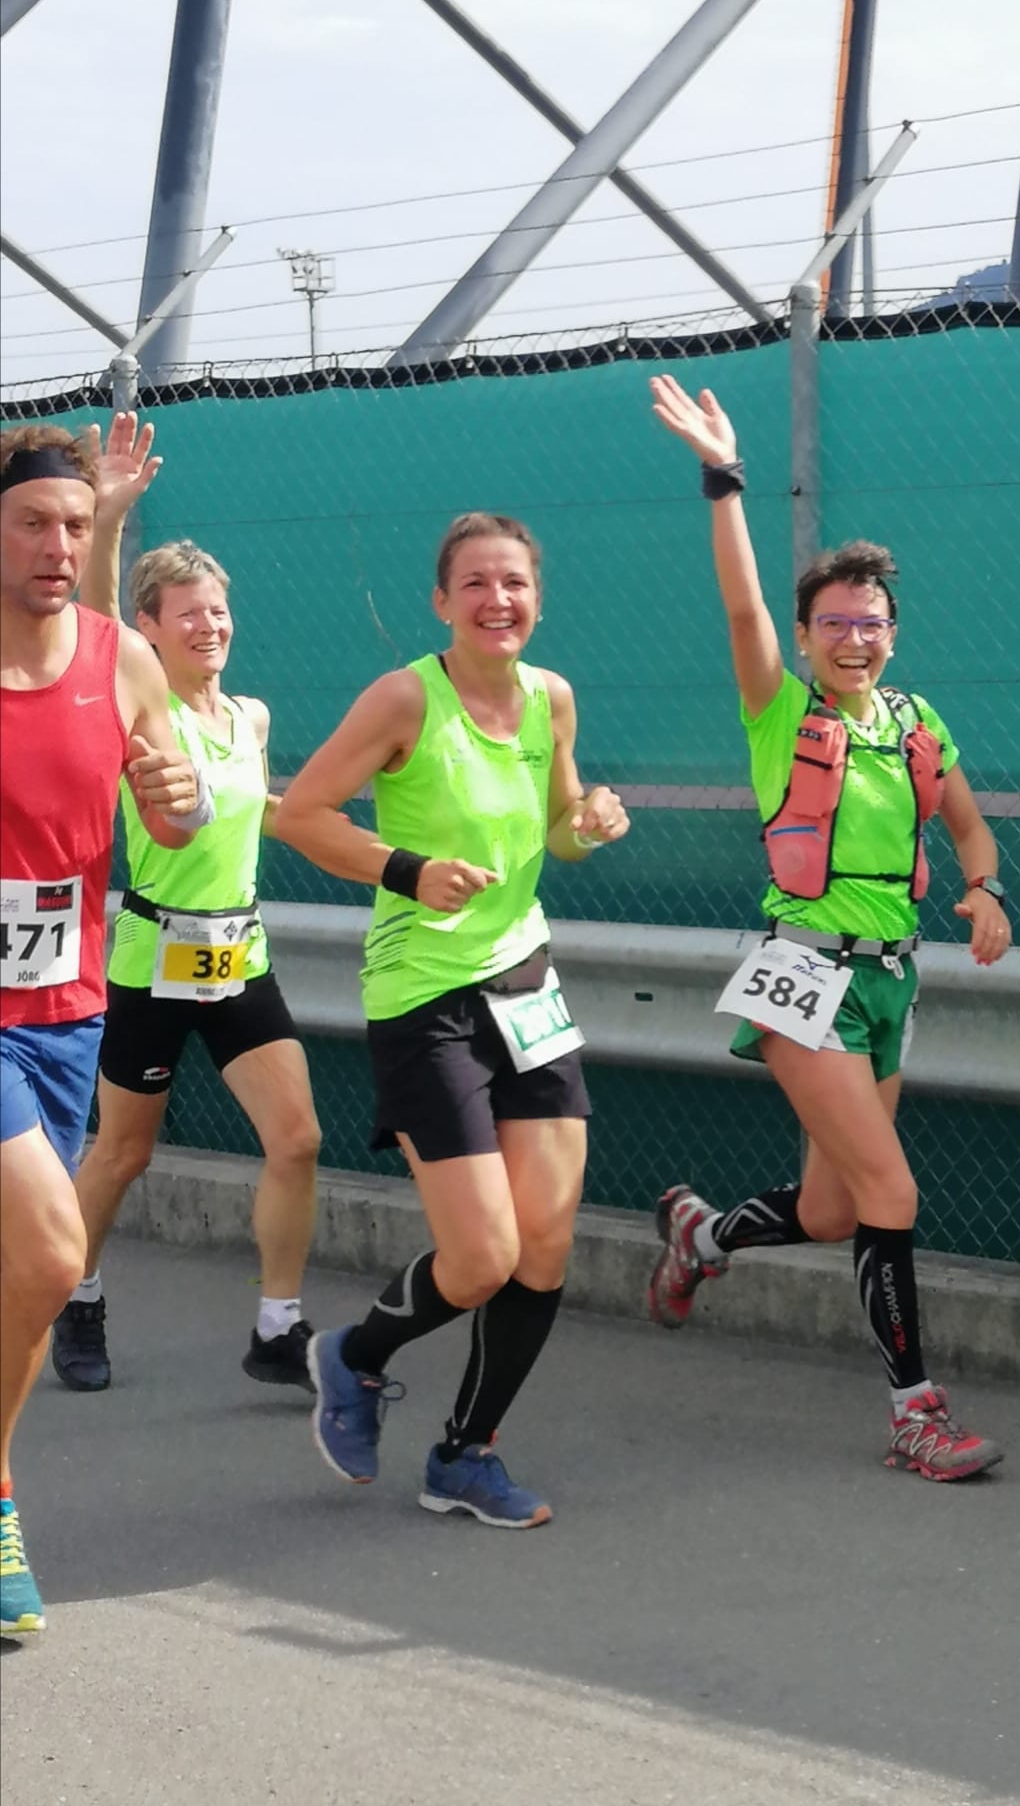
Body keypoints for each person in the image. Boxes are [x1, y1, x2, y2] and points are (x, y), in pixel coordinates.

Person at [645, 374, 1009, 1482]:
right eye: (834, 624)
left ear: (894, 633)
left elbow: (972, 828)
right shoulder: (782, 710)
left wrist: (985, 891)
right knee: (891, 1195)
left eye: (871, 623)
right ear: (805, 636)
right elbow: (741, 606)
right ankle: (917, 1415)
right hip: (801, 976)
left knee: (832, 1204)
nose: (854, 639)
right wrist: (725, 480)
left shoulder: (914, 721)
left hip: (891, 979)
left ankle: (700, 1238)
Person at [274, 509, 628, 1528]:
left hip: (528, 989)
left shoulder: (551, 697)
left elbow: (558, 833)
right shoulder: (404, 698)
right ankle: (354, 1354)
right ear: (441, 602)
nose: (497, 600)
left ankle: (467, 1455)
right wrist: (408, 870)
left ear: (537, 597)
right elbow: (300, 814)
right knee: (479, 1258)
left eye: (513, 582)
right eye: (474, 583)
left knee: (545, 1248)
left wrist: (589, 822)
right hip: (424, 997)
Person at [1, 417, 205, 1634]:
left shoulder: (122, 660)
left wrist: (172, 794)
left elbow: (168, 819)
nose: (57, 545)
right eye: (33, 521)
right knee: (48, 1253)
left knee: (31, 1273)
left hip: (66, 1010)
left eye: (75, 527)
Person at [60, 514, 323, 1394]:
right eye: (188, 614)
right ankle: (79, 1295)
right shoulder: (143, 708)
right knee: (123, 1155)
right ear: (149, 628)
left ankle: (278, 1327)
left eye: (217, 612)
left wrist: (365, 848)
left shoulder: (249, 716)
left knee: (296, 1139)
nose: (209, 626)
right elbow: (95, 619)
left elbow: (264, 811)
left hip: (236, 951)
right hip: (153, 955)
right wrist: (110, 520)